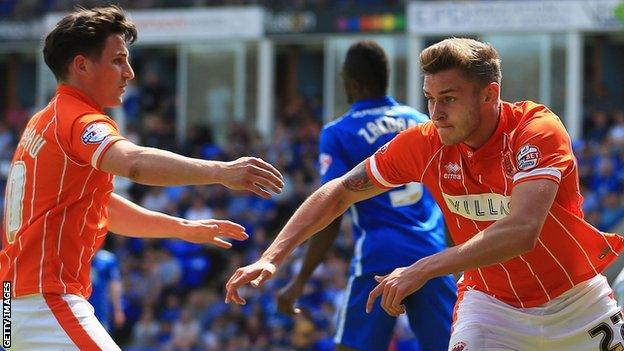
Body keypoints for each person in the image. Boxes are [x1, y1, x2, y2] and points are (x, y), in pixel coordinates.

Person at [226, 38, 624, 350]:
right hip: (491, 306)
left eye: (448, 98)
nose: (435, 112)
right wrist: (272, 257)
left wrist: (421, 268)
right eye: (430, 99)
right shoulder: (424, 142)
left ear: (489, 94)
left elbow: (522, 231)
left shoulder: (535, 130)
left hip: (577, 303)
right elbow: (340, 192)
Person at [0, 5, 283, 350]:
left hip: (13, 305)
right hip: (44, 299)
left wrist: (181, 228)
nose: (129, 73)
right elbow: (132, 162)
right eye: (118, 60)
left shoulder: (43, 120)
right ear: (82, 66)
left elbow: (102, 206)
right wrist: (219, 171)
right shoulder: (79, 120)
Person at [275, 40, 455, 351]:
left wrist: (301, 278)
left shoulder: (339, 132)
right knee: (451, 345)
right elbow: (450, 191)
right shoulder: (421, 122)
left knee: (352, 347)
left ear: (353, 83)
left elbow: (332, 207)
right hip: (432, 252)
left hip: (379, 255)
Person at [89, 249, 125, 333]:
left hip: (101, 310)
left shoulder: (108, 259)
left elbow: (114, 285)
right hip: (80, 307)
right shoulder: (78, 257)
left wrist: (118, 310)